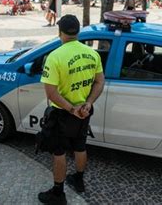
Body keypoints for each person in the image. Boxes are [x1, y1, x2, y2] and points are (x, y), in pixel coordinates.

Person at [38, 14, 105, 204]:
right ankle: (78, 179)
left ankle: (58, 194)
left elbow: (51, 93)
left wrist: (70, 109)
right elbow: (100, 81)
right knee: (80, 145)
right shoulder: (92, 54)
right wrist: (89, 103)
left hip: (63, 113)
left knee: (58, 152)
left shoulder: (55, 56)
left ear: (60, 32)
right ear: (77, 32)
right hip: (84, 110)